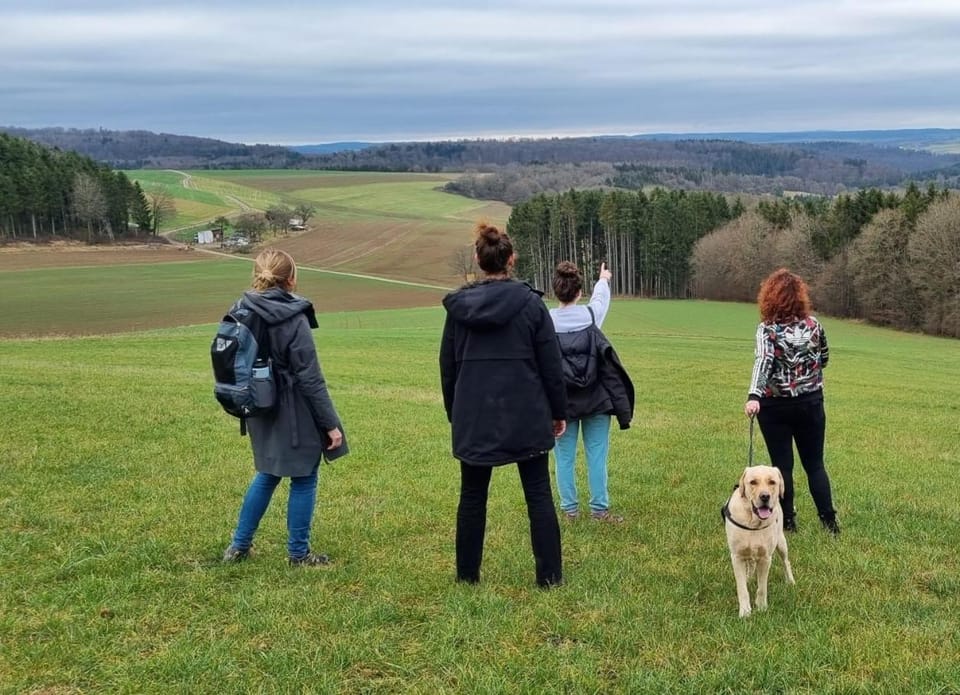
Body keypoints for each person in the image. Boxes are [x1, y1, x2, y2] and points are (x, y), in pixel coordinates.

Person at [440, 222, 568, 588]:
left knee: (473, 496)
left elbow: (447, 368)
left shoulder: (459, 310)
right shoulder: (531, 305)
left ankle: (467, 577)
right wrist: (558, 412)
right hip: (527, 413)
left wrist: (456, 413)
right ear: (511, 260)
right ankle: (549, 577)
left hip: (474, 414)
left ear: (478, 259)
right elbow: (551, 365)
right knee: (538, 494)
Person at [223, 248, 349, 566]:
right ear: (291, 279)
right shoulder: (293, 316)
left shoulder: (241, 308)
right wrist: (331, 425)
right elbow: (311, 379)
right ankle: (298, 553)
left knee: (267, 472)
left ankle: (238, 547)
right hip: (293, 410)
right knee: (304, 476)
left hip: (259, 406)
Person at [744, 268, 839, 535]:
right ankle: (829, 521)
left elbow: (763, 362)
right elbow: (825, 358)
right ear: (800, 297)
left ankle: (787, 522)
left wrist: (754, 395)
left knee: (782, 465)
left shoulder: (767, 330)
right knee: (815, 464)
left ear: (769, 297)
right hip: (811, 402)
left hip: (775, 406)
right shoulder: (814, 326)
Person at [550, 261, 634, 522]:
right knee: (597, 455)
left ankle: (569, 511)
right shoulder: (590, 316)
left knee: (564, 458)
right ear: (578, 292)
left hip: (562, 404)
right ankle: (600, 511)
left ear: (556, 292)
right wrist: (603, 279)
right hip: (597, 400)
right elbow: (601, 299)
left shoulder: (546, 321)